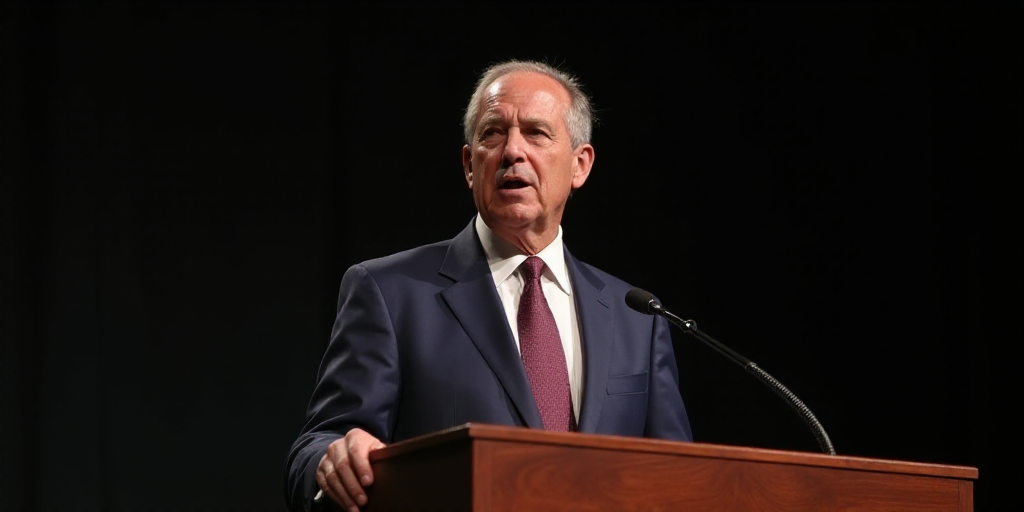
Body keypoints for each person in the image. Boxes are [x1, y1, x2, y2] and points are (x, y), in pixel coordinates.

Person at [283, 59, 692, 512]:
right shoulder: (389, 293)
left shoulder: (638, 316)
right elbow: (317, 447)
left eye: (536, 133)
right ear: (469, 165)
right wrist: (332, 459)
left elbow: (679, 477)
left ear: (580, 164)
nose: (512, 151)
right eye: (493, 133)